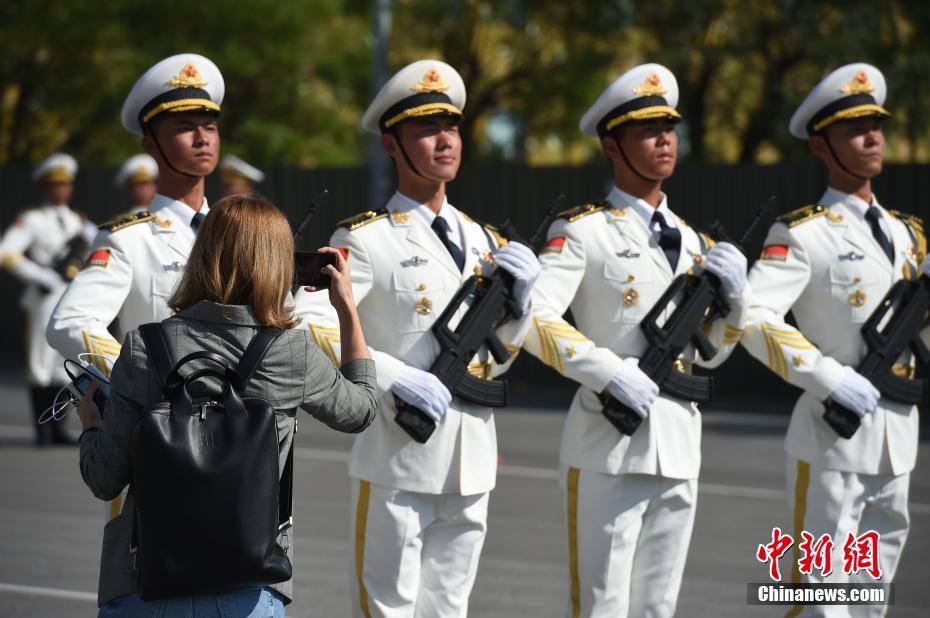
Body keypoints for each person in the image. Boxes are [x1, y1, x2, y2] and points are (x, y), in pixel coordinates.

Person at [293, 59, 540, 617]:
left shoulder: (486, 240)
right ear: (391, 145)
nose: (444, 140)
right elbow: (307, 319)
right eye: (426, 129)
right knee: (388, 609)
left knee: (449, 610)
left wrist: (520, 306)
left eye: (450, 126)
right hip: (395, 458)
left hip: (471, 458)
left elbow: (497, 360)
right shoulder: (366, 239)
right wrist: (393, 374)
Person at [75, 193, 378, 616]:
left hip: (144, 580)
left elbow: (104, 478)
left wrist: (90, 421)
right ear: (278, 264)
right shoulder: (292, 351)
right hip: (247, 583)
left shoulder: (143, 345)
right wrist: (346, 308)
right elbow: (361, 410)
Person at [521, 64, 751, 617]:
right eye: (648, 130)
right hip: (607, 447)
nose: (665, 138)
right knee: (601, 607)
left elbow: (711, 350)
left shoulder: (698, 243)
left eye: (669, 127)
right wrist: (607, 370)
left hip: (677, 447)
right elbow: (531, 318)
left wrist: (737, 302)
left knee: (658, 608)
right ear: (612, 145)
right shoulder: (582, 230)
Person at [741, 63, 928, 618]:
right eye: (854, 129)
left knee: (871, 602)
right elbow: (752, 317)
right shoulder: (803, 234)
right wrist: (829, 377)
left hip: (897, 441)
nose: (873, 138)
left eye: (877, 125)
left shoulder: (910, 235)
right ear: (820, 146)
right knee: (819, 600)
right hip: (832, 441)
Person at [47, 52, 223, 517]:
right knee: (148, 586)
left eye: (209, 123)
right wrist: (136, 384)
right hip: (158, 439)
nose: (203, 136)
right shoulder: (129, 238)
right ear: (150, 143)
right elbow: (69, 322)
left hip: (237, 444)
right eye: (185, 126)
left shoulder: (238, 232)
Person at [0, 153, 96, 446]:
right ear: (44, 187)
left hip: (70, 300)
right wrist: (40, 276)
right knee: (40, 365)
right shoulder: (32, 220)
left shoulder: (79, 222)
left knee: (64, 366)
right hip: (43, 300)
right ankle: (42, 430)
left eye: (65, 184)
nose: (61, 190)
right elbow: (6, 253)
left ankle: (58, 428)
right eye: (55, 184)